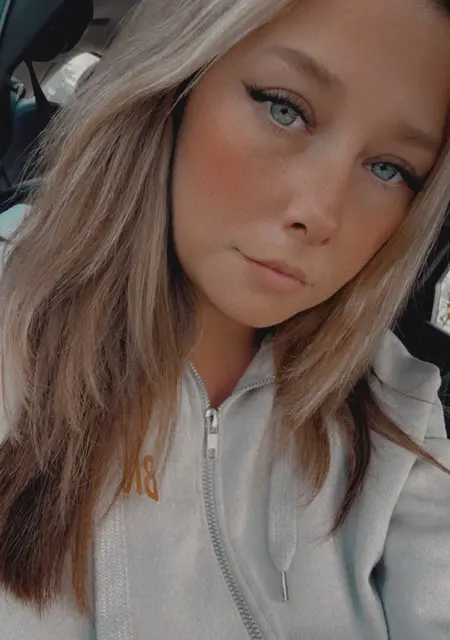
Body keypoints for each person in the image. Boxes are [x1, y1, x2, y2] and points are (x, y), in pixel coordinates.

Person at [0, 0, 450, 637]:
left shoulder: (399, 408)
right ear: (177, 84)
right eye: (283, 108)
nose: (320, 212)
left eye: (388, 169)